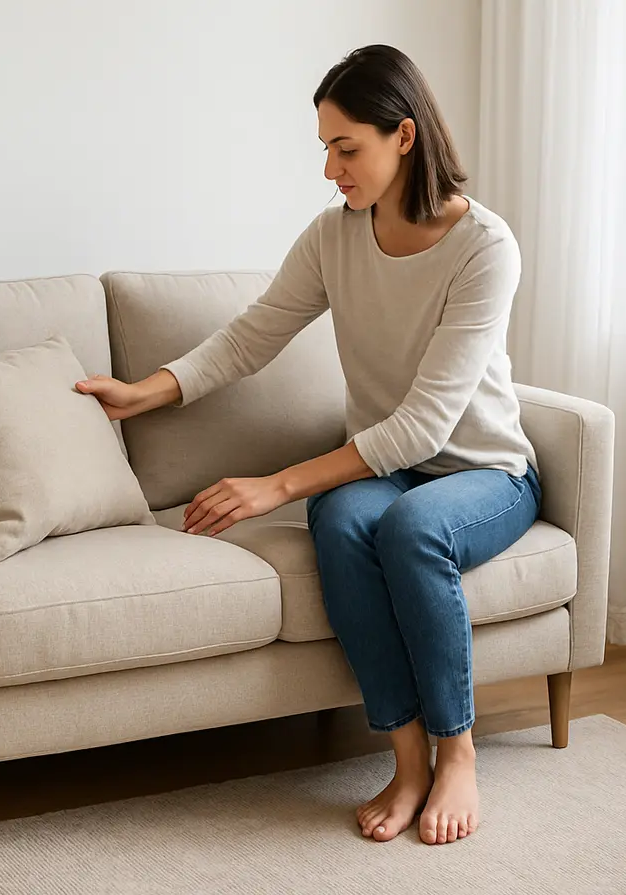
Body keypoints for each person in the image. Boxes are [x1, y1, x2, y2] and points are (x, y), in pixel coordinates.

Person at [75, 44, 540, 847]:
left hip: (483, 473)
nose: (331, 169)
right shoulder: (335, 237)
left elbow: (426, 426)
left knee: (410, 528)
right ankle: (406, 761)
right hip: (390, 470)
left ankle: (457, 750)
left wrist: (276, 485)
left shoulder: (485, 248)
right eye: (324, 148)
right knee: (341, 521)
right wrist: (143, 391)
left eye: (346, 147)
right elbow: (254, 335)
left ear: (404, 137)